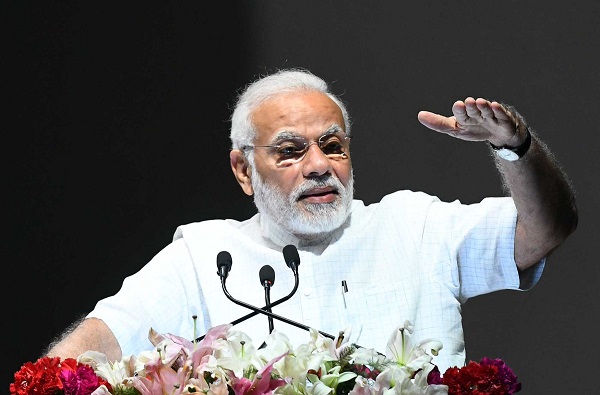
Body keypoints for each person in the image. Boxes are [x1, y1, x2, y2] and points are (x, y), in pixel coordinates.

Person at [44, 68, 577, 372]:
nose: (319, 165)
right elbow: (89, 349)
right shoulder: (203, 257)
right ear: (244, 170)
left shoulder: (414, 225)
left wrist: (517, 149)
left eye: (331, 145)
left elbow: (546, 229)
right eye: (291, 151)